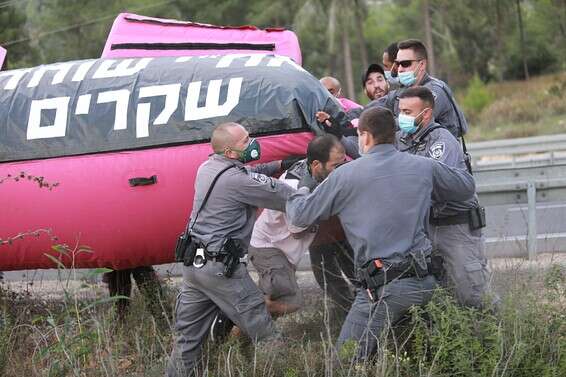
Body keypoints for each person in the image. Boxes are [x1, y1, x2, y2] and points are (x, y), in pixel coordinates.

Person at [286, 107, 476, 361]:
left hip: (382, 288)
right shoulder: (424, 166)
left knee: (344, 362)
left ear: (364, 136)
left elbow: (299, 215)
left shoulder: (345, 175)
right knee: (441, 356)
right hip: (428, 283)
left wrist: (304, 184)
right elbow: (465, 188)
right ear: (394, 135)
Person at [166, 122, 296, 377]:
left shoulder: (208, 167)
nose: (252, 143)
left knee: (187, 342)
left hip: (195, 268)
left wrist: (279, 165)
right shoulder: (238, 181)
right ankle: (290, 369)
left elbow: (249, 174)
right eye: (245, 141)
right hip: (221, 271)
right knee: (265, 332)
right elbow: (284, 195)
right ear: (230, 153)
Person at [396, 86, 496, 308]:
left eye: (408, 112)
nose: (402, 117)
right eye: (401, 111)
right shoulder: (401, 140)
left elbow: (436, 185)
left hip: (455, 226)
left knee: (472, 293)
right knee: (440, 298)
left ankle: (493, 338)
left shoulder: (441, 140)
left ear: (427, 114)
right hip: (426, 228)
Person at [249, 135, 349, 318]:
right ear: (317, 165)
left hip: (282, 249)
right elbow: (297, 228)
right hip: (270, 247)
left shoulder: (315, 171)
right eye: (336, 166)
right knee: (289, 301)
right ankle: (239, 309)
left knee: (272, 305)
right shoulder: (295, 186)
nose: (342, 170)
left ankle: (238, 327)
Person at [372, 39, 468, 138]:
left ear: (421, 65)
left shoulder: (435, 91)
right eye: (397, 64)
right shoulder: (404, 90)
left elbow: (412, 120)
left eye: (405, 64)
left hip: (441, 149)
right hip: (416, 149)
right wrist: (359, 116)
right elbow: (378, 105)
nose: (400, 69)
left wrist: (376, 125)